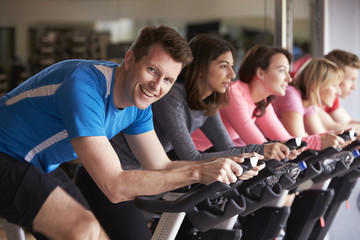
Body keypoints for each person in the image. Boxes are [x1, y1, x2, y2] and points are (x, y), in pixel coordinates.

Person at [0, 25, 250, 240]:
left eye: (168, 80)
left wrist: (218, 165)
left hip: (38, 164)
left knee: (97, 232)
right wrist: (197, 171)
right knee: (82, 228)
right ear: (130, 60)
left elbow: (159, 165)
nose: (157, 86)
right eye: (152, 70)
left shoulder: (139, 105)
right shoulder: (84, 86)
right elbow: (114, 186)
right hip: (6, 155)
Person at [76, 33, 271, 239]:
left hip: (140, 178)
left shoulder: (206, 103)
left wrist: (247, 158)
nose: (232, 74)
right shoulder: (170, 97)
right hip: (104, 177)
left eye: (168, 78)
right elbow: (192, 158)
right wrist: (255, 153)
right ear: (202, 66)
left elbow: (224, 148)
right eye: (224, 66)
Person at [192, 44, 344, 151]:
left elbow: (285, 139)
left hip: (209, 154)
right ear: (260, 73)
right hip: (188, 155)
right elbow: (261, 146)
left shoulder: (262, 102)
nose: (289, 79)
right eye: (282, 70)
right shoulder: (234, 93)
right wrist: (318, 141)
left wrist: (327, 138)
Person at [271, 57, 348, 148]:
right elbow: (299, 143)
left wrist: (341, 140)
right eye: (334, 85)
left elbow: (321, 135)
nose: (338, 92)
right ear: (316, 84)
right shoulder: (291, 95)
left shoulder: (309, 103)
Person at [318, 49, 360, 132]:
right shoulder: (310, 96)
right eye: (351, 79)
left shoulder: (331, 96)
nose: (354, 87)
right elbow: (331, 127)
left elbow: (347, 122)